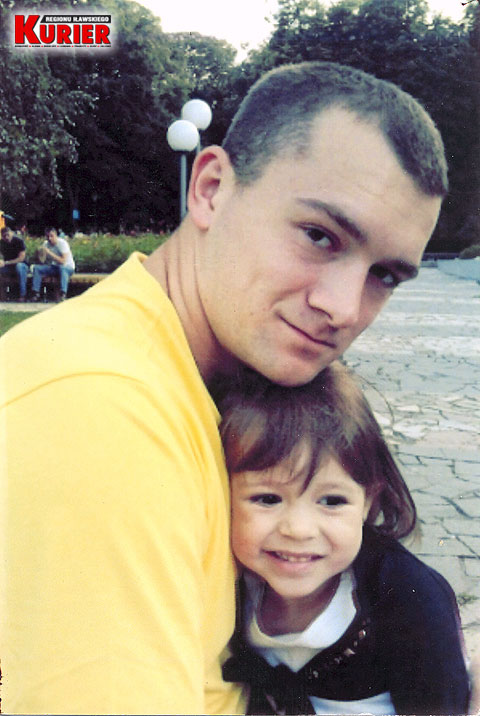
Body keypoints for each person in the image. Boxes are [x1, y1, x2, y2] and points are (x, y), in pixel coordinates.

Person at [2, 60, 476, 714]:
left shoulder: (203, 382)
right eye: (319, 236)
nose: (343, 307)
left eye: (385, 276)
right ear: (211, 188)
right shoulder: (99, 408)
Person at [217, 362, 470, 715]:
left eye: (332, 501)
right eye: (268, 499)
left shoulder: (408, 597)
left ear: (367, 501)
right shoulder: (229, 582)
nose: (299, 529)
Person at [31, 227, 75, 301]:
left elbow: (63, 261)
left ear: (56, 235)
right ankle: (36, 293)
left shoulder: (62, 243)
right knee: (37, 268)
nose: (49, 238)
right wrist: (40, 254)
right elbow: (42, 261)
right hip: (54, 267)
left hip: (67, 267)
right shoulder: (46, 244)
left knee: (62, 268)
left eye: (52, 236)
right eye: (47, 236)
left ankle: (63, 294)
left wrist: (49, 252)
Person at [0, 225, 29, 301]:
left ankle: (22, 295)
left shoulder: (19, 241)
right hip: (9, 267)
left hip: (22, 265)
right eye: (4, 236)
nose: (6, 237)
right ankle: (2, 295)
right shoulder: (1, 243)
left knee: (19, 267)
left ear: (12, 233)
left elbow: (21, 258)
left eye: (8, 235)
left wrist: (6, 262)